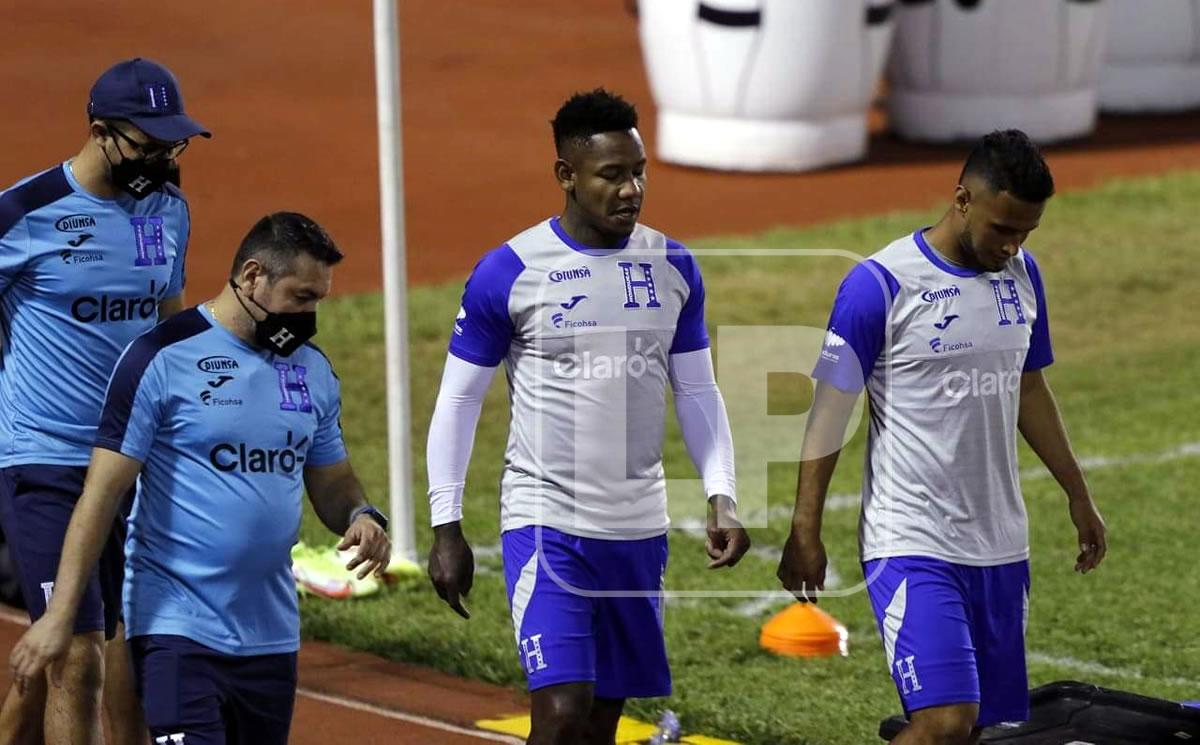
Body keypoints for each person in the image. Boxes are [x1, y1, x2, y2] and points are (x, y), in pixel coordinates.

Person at [425, 88, 751, 745]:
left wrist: (723, 493)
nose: (631, 189)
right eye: (611, 175)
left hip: (637, 530)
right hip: (547, 525)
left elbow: (697, 391)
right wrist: (445, 524)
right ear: (566, 176)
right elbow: (459, 400)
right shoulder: (511, 272)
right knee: (562, 713)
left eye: (639, 172)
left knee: (600, 722)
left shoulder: (674, 265)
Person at [7, 212, 392, 744]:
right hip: (176, 627)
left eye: (319, 300)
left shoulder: (312, 371)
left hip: (271, 636)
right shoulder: (161, 358)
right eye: (302, 297)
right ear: (253, 276)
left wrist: (361, 513)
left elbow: (333, 478)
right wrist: (60, 614)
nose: (311, 315)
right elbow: (100, 496)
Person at [776, 130, 1108, 745]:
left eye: (1026, 233)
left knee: (980, 729)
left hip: (1000, 545)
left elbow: (1028, 388)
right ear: (962, 199)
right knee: (943, 722)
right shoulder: (879, 285)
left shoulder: (1023, 276)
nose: (1013, 246)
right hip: (912, 538)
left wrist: (1077, 494)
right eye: (1003, 228)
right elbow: (830, 411)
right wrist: (805, 529)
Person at [0, 57, 210, 744]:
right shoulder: (23, 215)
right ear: (100, 132)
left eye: (171, 145)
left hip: (130, 466)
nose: (163, 159)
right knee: (75, 651)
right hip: (45, 462)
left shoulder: (168, 210)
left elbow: (167, 329)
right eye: (147, 145)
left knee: (123, 650)